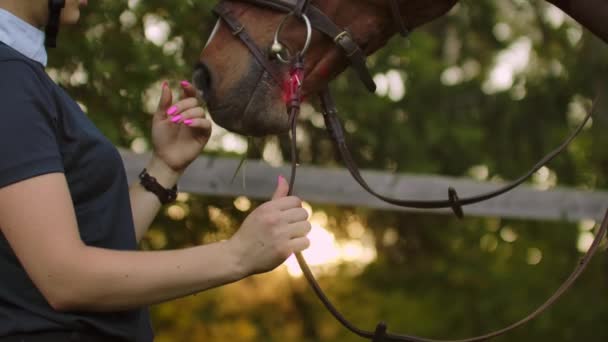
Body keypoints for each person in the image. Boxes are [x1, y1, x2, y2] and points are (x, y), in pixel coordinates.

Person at [0, 1, 311, 341]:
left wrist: (164, 168)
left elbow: (98, 240)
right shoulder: (9, 80)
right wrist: (237, 254)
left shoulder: (23, 75)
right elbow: (63, 279)